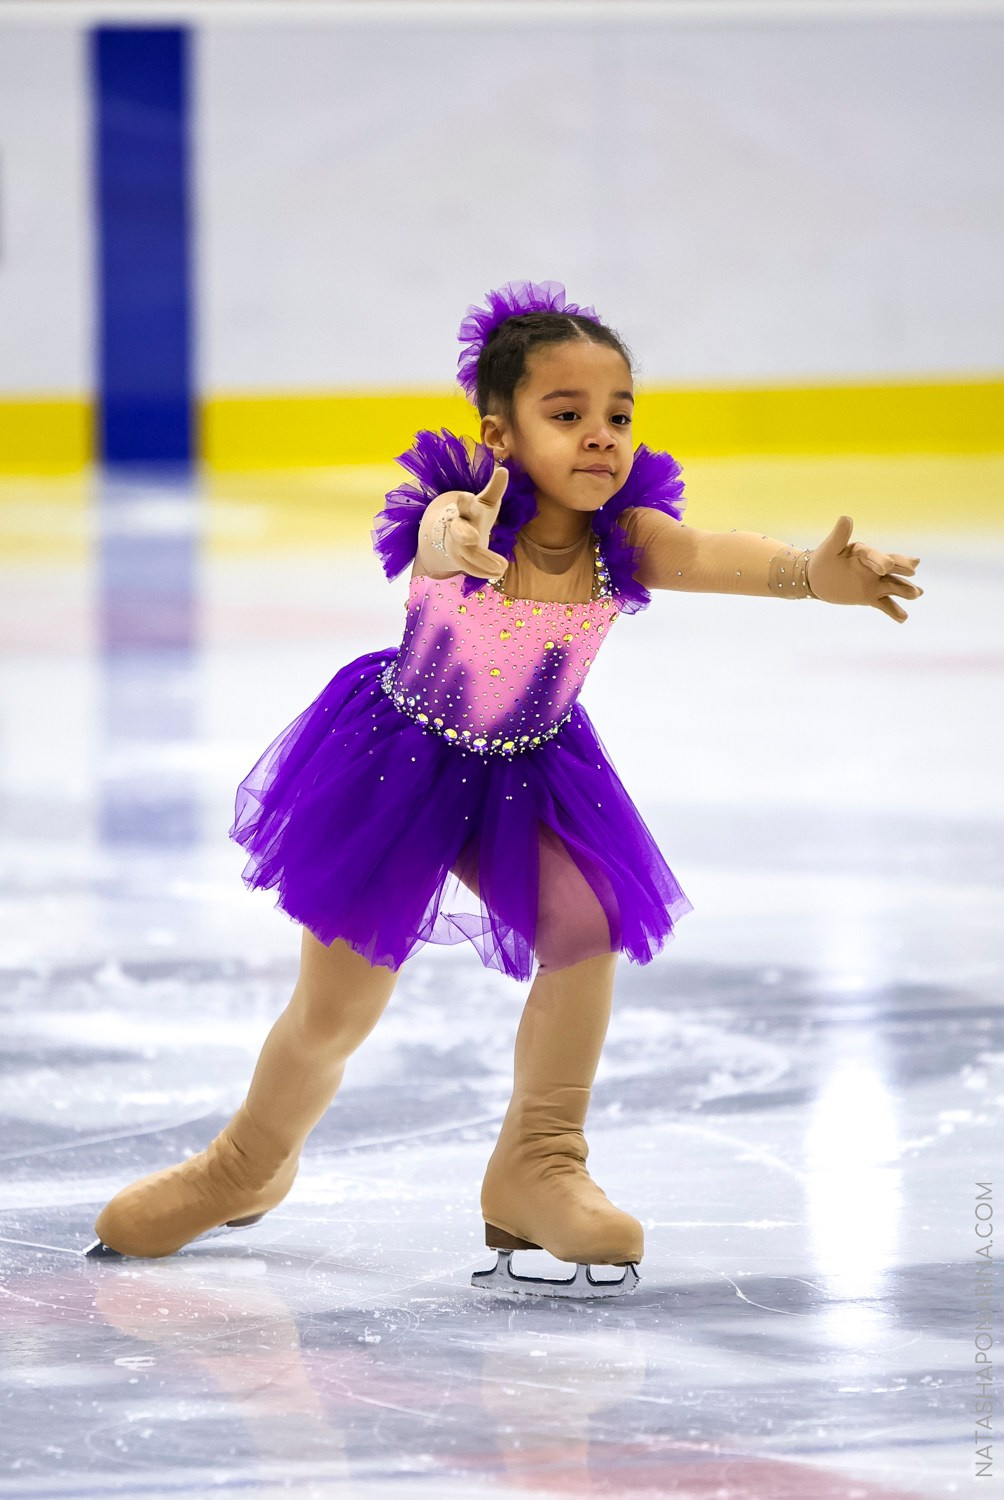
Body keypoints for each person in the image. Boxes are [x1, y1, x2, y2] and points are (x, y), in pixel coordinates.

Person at [86, 279, 923, 1297]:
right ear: (501, 433)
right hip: (397, 768)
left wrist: (809, 575)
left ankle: (540, 1160)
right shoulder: (465, 512)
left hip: (529, 772)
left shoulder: (623, 536)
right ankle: (245, 1163)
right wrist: (455, 541)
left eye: (617, 416)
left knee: (586, 923)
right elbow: (439, 537)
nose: (600, 436)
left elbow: (707, 551)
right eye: (566, 415)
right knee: (337, 1010)